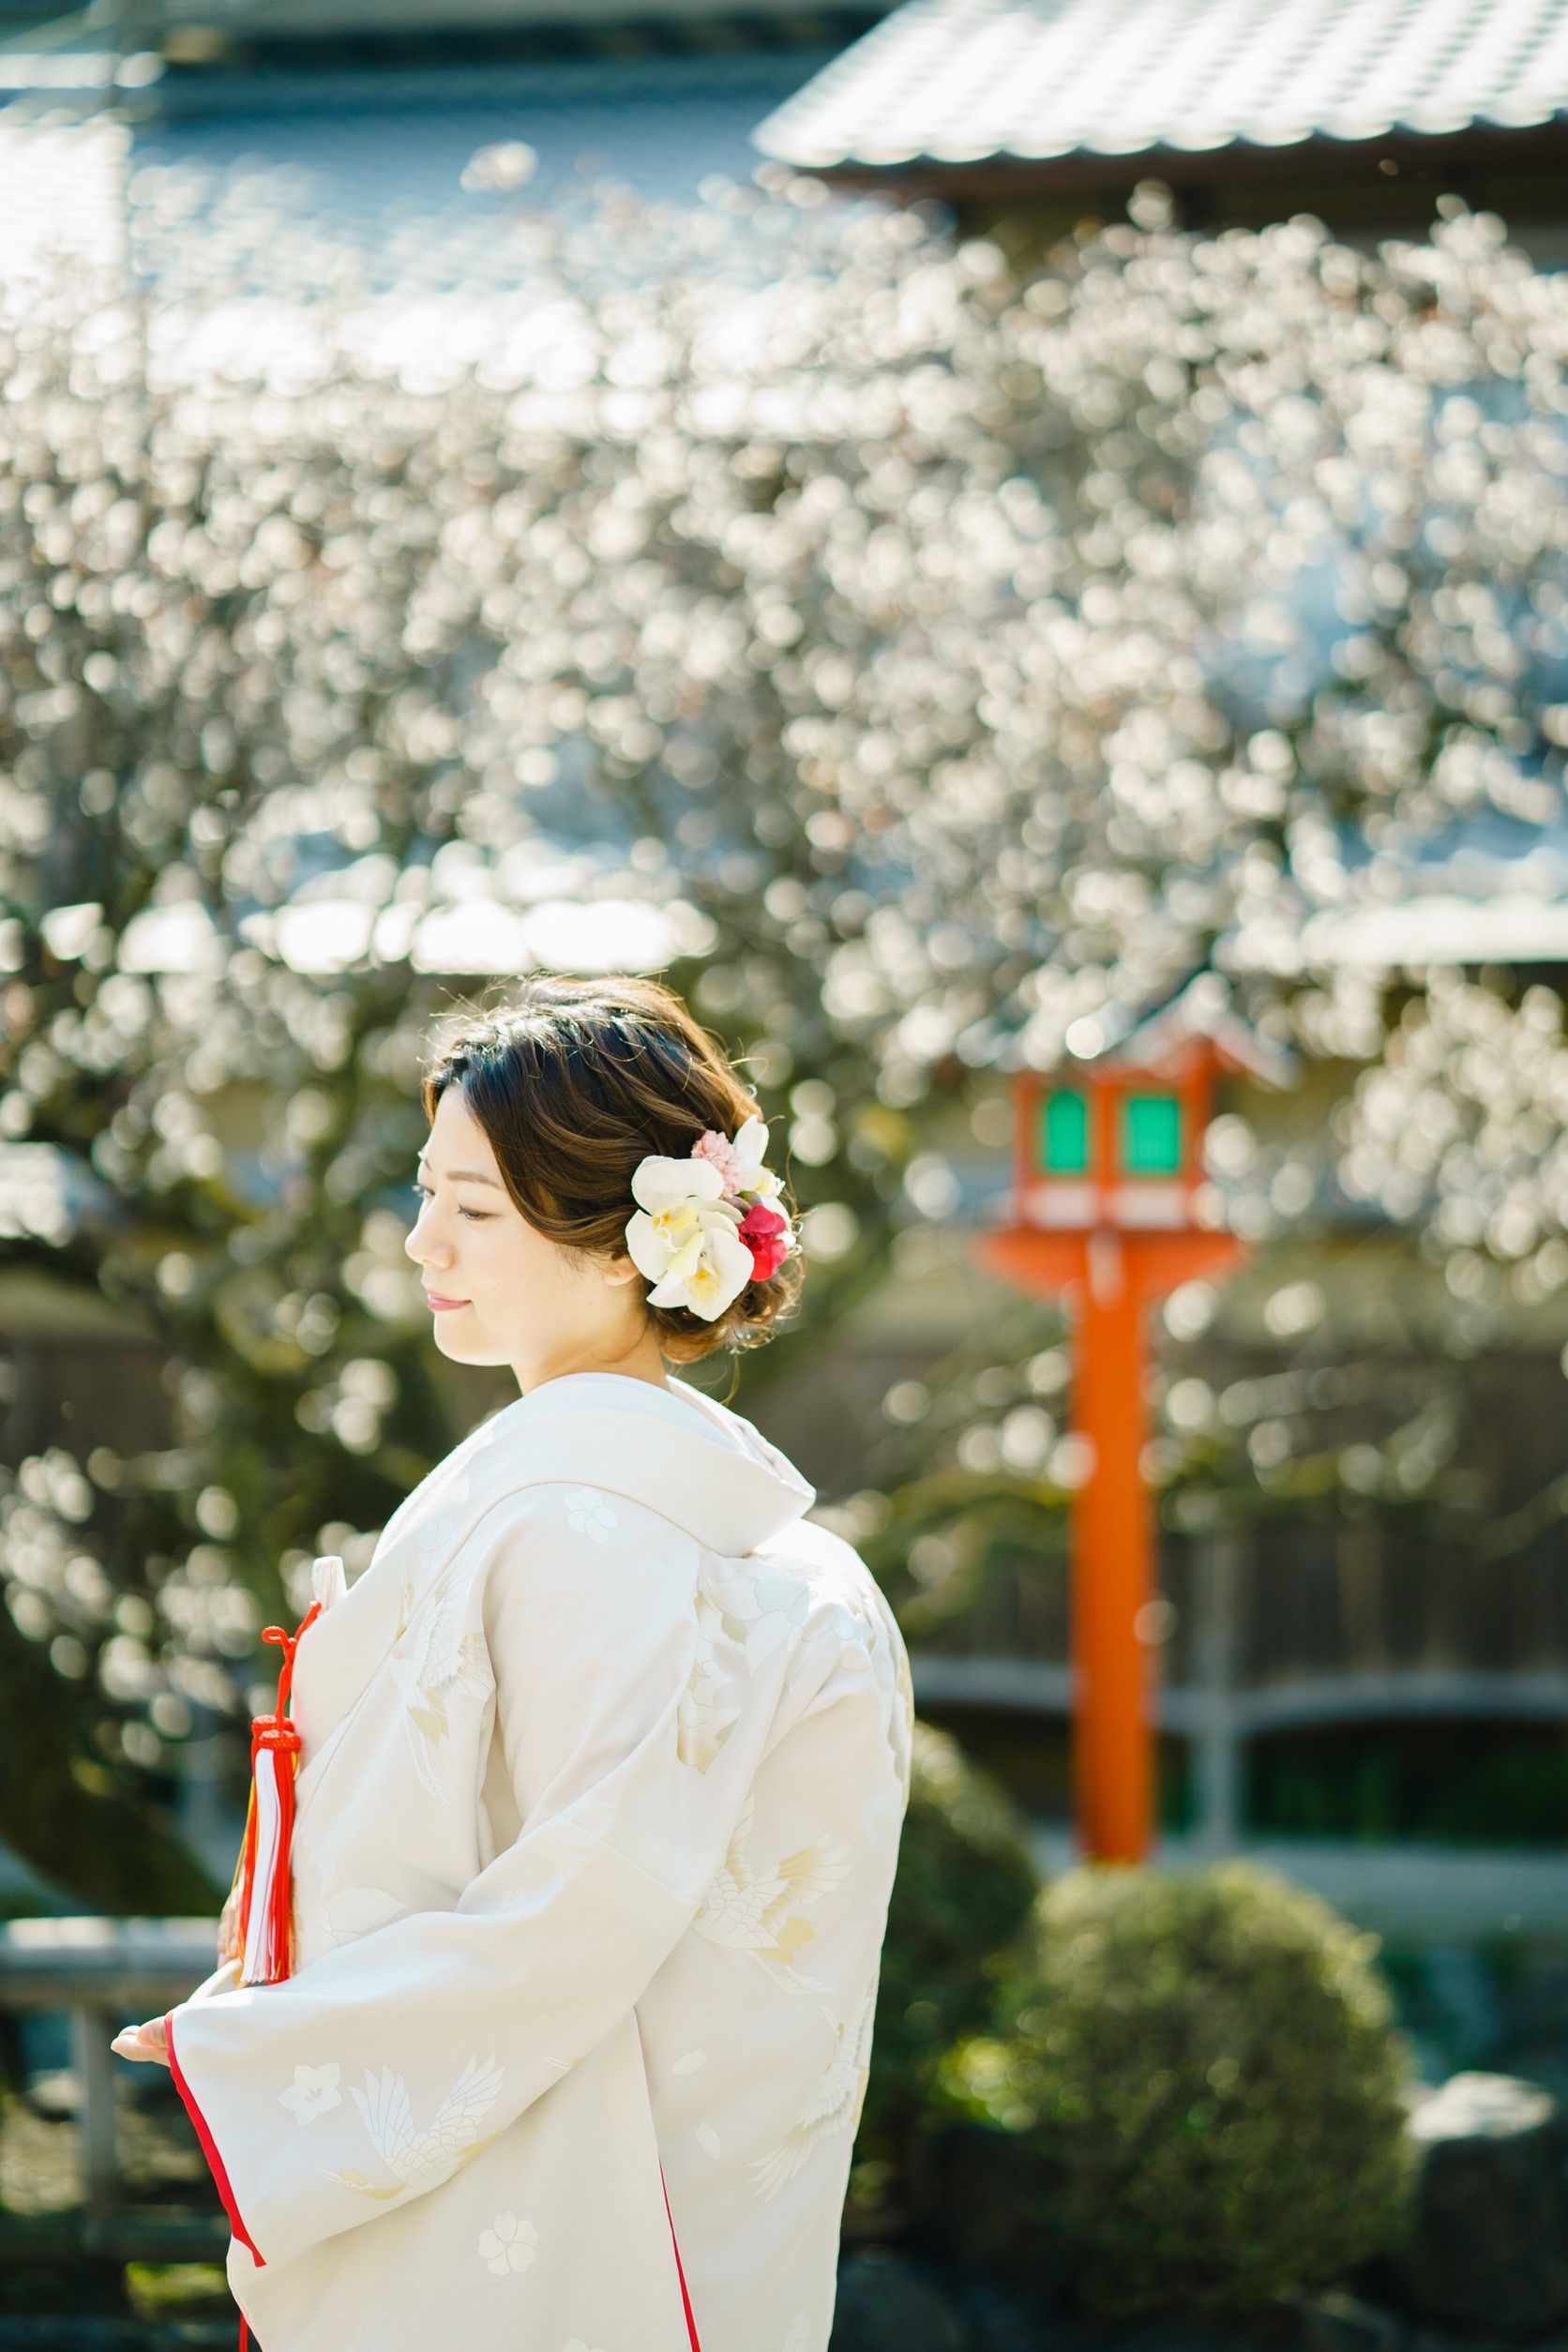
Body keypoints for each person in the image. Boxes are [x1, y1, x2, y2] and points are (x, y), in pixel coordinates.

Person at [113, 975, 912, 2352]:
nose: (425, 1239)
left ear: (627, 1246)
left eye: (473, 1208)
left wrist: (260, 2060)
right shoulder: (748, 1540)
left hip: (577, 2222)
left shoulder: (588, 1525)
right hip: (690, 2220)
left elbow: (582, 1909)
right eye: (426, 1193)